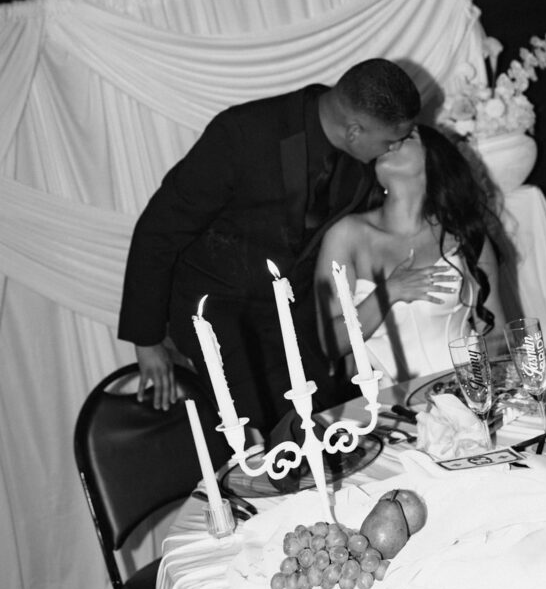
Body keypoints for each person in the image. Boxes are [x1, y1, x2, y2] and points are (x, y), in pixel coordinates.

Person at [118, 59, 420, 445]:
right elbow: (159, 229)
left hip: (293, 316)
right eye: (390, 141)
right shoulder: (243, 133)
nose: (393, 148)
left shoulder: (363, 161)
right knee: (266, 437)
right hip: (218, 312)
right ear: (355, 131)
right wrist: (147, 342)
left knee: (332, 424)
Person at [314, 124, 505, 385]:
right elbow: (331, 343)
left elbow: (494, 334)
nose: (389, 143)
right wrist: (388, 292)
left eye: (405, 137)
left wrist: (492, 394)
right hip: (395, 412)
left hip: (473, 393)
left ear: (433, 158)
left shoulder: (463, 233)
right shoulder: (347, 235)